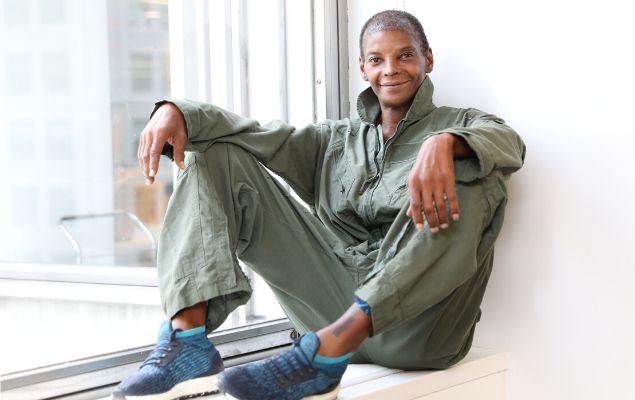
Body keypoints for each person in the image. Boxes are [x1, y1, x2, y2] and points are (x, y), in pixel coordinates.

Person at [113, 9, 525, 400]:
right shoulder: (334, 140)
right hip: (330, 310)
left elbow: (510, 144)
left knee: (474, 173)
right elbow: (253, 135)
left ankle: (332, 347)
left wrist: (446, 143)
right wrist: (179, 112)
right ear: (362, 67)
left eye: (404, 56)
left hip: (420, 331)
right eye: (376, 59)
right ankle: (187, 341)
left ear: (427, 60)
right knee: (214, 154)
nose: (390, 69)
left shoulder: (463, 122)